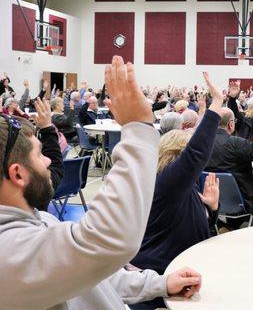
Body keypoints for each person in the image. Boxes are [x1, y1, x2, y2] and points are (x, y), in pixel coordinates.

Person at [0, 56, 202, 309]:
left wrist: (160, 283)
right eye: (40, 154)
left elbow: (94, 275)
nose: (50, 162)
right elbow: (109, 241)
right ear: (17, 174)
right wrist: (138, 127)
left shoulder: (42, 221)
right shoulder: (8, 254)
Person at [131, 72, 222, 309]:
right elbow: (196, 155)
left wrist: (210, 209)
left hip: (184, 265)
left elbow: (188, 220)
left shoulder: (180, 186)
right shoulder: (165, 182)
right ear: (176, 155)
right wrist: (216, 106)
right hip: (160, 274)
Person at [205, 100, 253, 220]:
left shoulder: (201, 143)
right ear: (231, 124)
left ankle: (227, 225)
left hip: (211, 199)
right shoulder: (236, 143)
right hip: (243, 200)